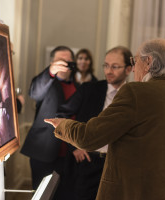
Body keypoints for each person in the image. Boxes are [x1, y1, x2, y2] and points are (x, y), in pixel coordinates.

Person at [45, 38, 165, 200]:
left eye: (135, 61)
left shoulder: (135, 92)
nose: (133, 69)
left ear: (148, 62)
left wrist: (63, 125)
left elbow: (89, 137)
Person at [56, 46, 132, 200]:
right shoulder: (89, 89)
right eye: (106, 65)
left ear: (128, 69)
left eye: (115, 66)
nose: (109, 71)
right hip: (88, 162)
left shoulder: (134, 96)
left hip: (119, 166)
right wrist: (74, 145)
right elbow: (62, 114)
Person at [20, 46, 78, 192]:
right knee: (43, 193)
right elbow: (34, 93)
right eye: (60, 60)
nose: (65, 63)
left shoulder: (79, 86)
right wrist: (51, 72)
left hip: (70, 154)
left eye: (68, 60)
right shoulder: (45, 81)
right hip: (44, 151)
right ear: (52, 62)